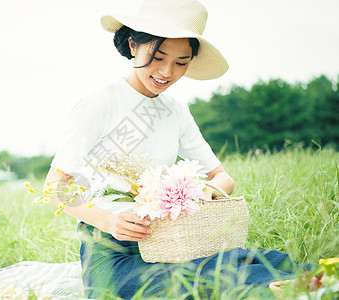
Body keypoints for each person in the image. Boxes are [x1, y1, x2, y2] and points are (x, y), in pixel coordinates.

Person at [44, 0, 314, 298]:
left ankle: (312, 277)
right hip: (111, 250)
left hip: (172, 241)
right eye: (157, 56)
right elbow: (55, 187)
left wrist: (198, 193)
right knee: (167, 285)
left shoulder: (175, 111)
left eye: (181, 62)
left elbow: (222, 177)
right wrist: (110, 222)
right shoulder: (99, 104)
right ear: (133, 44)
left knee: (226, 265)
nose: (166, 72)